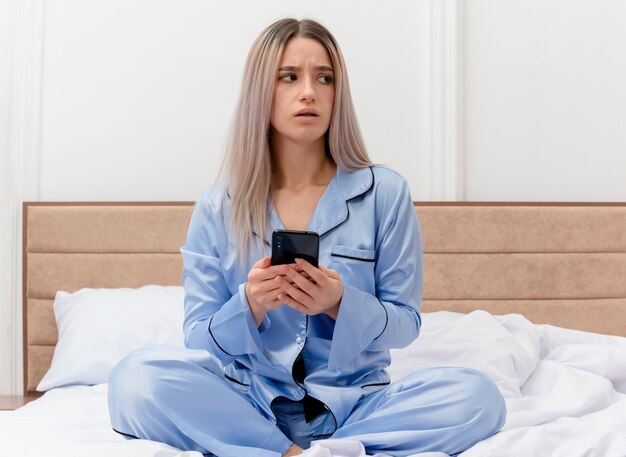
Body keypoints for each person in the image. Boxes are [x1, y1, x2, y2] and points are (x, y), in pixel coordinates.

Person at [108, 18, 506, 457]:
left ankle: (322, 448)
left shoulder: (385, 193)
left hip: (359, 405)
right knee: (134, 382)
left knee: (478, 397)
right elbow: (199, 337)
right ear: (263, 89)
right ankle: (287, 451)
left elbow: (406, 323)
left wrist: (339, 303)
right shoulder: (218, 205)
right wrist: (251, 304)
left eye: (324, 78)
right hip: (250, 403)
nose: (309, 92)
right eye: (289, 77)